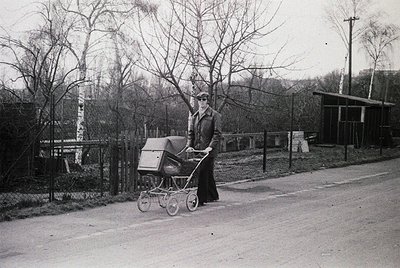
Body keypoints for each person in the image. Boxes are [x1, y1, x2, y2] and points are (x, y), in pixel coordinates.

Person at [186, 91, 222, 206]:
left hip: (208, 151)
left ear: (207, 101)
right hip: (198, 149)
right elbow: (191, 133)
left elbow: (217, 133)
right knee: (208, 173)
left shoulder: (214, 115)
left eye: (204, 99)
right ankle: (213, 195)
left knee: (202, 172)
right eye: (199, 100)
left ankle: (200, 199)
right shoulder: (195, 116)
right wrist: (189, 146)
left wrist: (210, 147)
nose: (201, 102)